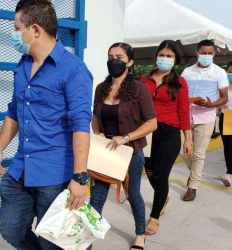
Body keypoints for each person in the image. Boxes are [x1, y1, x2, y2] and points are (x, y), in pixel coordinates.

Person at [0, 1, 93, 249]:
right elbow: (14, 110)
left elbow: (81, 124)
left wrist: (80, 178)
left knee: (57, 242)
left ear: (35, 30)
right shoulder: (23, 65)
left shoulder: (73, 70)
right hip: (20, 169)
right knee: (11, 230)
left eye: (17, 28)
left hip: (55, 175)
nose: (14, 35)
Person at [91, 42, 157, 250]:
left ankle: (140, 234)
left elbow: (151, 123)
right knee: (97, 196)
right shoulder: (101, 89)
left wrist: (125, 137)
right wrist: (98, 133)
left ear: (130, 62)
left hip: (130, 152)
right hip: (105, 151)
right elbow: (95, 116)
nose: (114, 61)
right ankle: (88, 236)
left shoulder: (139, 89)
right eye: (110, 57)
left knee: (133, 194)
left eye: (119, 57)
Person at [139, 40, 191, 235]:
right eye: (162, 55)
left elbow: (184, 112)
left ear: (175, 59)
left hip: (169, 133)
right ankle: (164, 196)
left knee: (161, 175)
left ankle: (154, 217)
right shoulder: (144, 78)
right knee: (150, 171)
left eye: (169, 56)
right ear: (156, 56)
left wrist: (187, 138)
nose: (165, 59)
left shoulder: (180, 82)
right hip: (147, 131)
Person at [181, 39, 228, 201]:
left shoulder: (219, 73)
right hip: (185, 116)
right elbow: (180, 93)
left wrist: (211, 104)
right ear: (197, 53)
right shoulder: (187, 72)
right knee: (183, 151)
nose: (206, 56)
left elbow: (224, 98)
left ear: (214, 54)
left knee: (199, 153)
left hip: (206, 117)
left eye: (210, 53)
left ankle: (192, 187)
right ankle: (193, 173)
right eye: (203, 53)